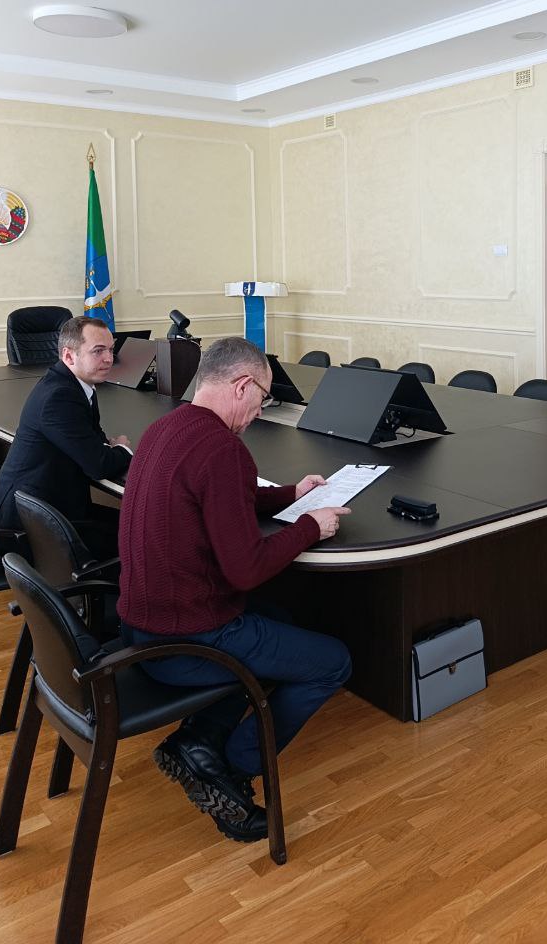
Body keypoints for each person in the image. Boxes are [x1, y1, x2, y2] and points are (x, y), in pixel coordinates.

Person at [118, 336, 351, 844]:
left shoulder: (166, 428)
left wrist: (291, 495)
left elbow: (222, 498)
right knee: (333, 662)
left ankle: (199, 741)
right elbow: (246, 569)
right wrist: (310, 526)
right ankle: (227, 768)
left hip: (141, 624)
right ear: (242, 385)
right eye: (263, 397)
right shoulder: (224, 450)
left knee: (282, 620)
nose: (260, 410)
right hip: (187, 639)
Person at [0, 315, 132, 555]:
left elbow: (95, 439)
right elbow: (99, 465)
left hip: (49, 507)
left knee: (132, 522)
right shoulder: (59, 397)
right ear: (68, 356)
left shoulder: (74, 384)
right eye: (98, 351)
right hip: (28, 527)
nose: (109, 358)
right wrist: (122, 448)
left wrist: (104, 449)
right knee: (137, 533)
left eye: (111, 349)